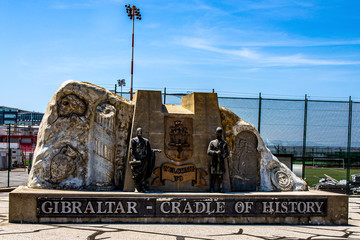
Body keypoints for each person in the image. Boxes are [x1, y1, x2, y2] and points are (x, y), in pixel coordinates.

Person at [130, 128, 161, 192]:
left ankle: (143, 187)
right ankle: (137, 187)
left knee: (144, 174)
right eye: (138, 131)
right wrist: (134, 158)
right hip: (137, 160)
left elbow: (149, 150)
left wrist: (155, 151)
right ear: (136, 132)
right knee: (136, 174)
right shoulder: (133, 140)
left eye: (140, 132)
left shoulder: (145, 141)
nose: (139, 133)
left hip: (144, 159)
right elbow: (132, 150)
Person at [207, 127, 229, 192]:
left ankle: (221, 188)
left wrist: (223, 155)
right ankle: (212, 188)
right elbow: (208, 151)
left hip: (221, 161)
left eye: (220, 133)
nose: (219, 134)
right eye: (217, 133)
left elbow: (227, 153)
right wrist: (215, 152)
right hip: (214, 161)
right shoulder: (212, 142)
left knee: (220, 176)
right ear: (216, 133)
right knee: (213, 175)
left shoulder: (224, 143)